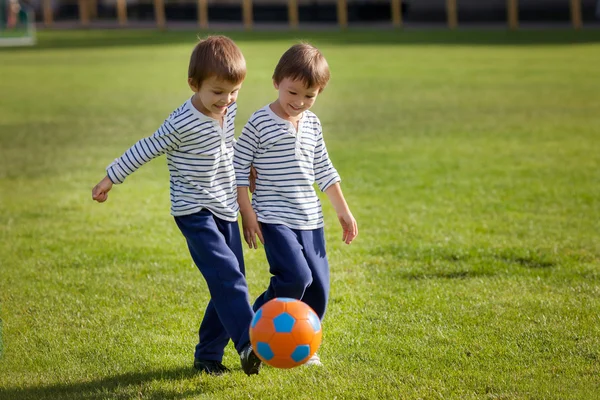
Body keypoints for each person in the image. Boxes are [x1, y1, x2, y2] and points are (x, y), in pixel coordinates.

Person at [91, 35, 261, 376]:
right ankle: (249, 342)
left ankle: (208, 357)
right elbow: (146, 147)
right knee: (227, 276)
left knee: (229, 280)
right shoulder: (181, 123)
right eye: (217, 92)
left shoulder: (227, 109)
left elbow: (227, 145)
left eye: (234, 92)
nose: (226, 100)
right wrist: (110, 178)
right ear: (193, 85)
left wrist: (247, 168)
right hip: (194, 211)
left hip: (224, 205)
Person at [233, 43, 358, 367]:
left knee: (318, 287)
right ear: (276, 81)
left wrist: (342, 211)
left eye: (309, 96)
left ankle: (304, 345)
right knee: (296, 278)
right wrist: (248, 214)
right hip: (274, 218)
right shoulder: (260, 122)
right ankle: (253, 325)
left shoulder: (312, 124)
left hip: (310, 219)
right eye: (293, 92)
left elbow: (324, 170)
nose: (299, 102)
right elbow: (238, 171)